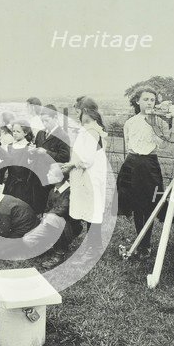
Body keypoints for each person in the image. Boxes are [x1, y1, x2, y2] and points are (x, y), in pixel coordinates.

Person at [116, 86, 168, 260]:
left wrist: (155, 125)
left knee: (149, 204)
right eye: (145, 99)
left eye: (152, 100)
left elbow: (164, 145)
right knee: (136, 204)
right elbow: (129, 143)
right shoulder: (130, 122)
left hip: (149, 164)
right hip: (132, 164)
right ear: (137, 101)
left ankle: (146, 246)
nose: (149, 102)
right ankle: (140, 241)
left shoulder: (159, 122)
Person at [61, 100, 108, 264]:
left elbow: (87, 159)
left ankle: (94, 249)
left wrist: (72, 164)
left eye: (77, 111)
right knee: (89, 211)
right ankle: (92, 247)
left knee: (92, 212)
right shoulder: (89, 130)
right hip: (85, 177)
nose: (76, 114)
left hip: (90, 177)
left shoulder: (92, 131)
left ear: (85, 110)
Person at [0, 180, 39, 257]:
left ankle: (25, 244)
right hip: (28, 223)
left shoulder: (3, 208)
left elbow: (4, 232)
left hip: (26, 230)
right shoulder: (3, 198)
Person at [32, 104, 71, 212]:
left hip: (51, 177)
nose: (45, 124)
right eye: (42, 121)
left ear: (55, 118)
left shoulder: (63, 136)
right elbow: (37, 149)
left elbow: (65, 157)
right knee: (37, 203)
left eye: (47, 120)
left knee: (48, 205)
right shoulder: (40, 133)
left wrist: (47, 152)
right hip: (38, 175)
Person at [2, 121, 36, 208]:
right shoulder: (9, 147)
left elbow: (31, 167)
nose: (15, 134)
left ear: (25, 133)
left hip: (23, 186)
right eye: (13, 131)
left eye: (18, 131)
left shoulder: (29, 147)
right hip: (10, 184)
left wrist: (32, 155)